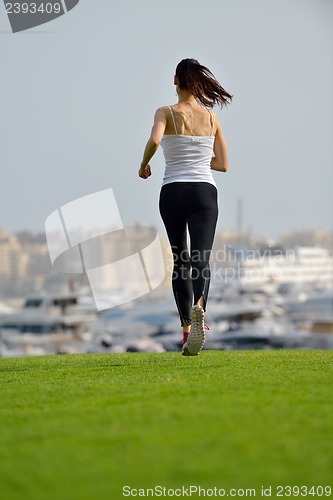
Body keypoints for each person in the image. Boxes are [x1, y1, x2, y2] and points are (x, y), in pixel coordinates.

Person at [138, 58, 232, 356]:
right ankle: (200, 307)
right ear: (198, 84)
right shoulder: (211, 118)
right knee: (200, 256)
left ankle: (187, 330)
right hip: (204, 192)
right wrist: (199, 160)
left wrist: (144, 164)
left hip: (173, 191)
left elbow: (154, 139)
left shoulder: (165, 112)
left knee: (180, 259)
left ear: (175, 80)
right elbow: (223, 164)